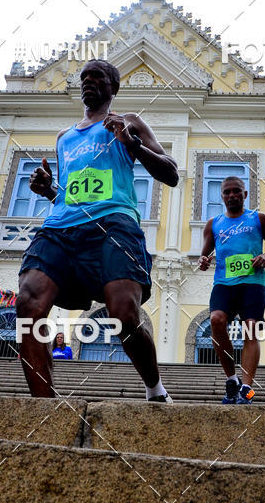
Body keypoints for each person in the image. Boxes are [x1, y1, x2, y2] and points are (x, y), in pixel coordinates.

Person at [16, 59, 179, 400]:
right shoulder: (64, 138)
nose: (89, 81)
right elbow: (70, 192)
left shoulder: (129, 122)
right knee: (28, 305)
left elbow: (171, 173)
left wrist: (132, 143)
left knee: (123, 313)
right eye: (84, 77)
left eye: (98, 76)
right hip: (61, 228)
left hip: (114, 224)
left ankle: (155, 388)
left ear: (112, 88)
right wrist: (49, 190)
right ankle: (45, 411)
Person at [198, 176, 265, 404]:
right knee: (216, 320)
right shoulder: (213, 224)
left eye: (237, 191)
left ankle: (246, 388)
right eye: (227, 192)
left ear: (245, 195)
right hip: (224, 284)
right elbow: (204, 254)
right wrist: (203, 260)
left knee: (250, 330)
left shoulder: (258, 219)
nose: (232, 195)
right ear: (222, 196)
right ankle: (232, 380)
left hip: (253, 284)